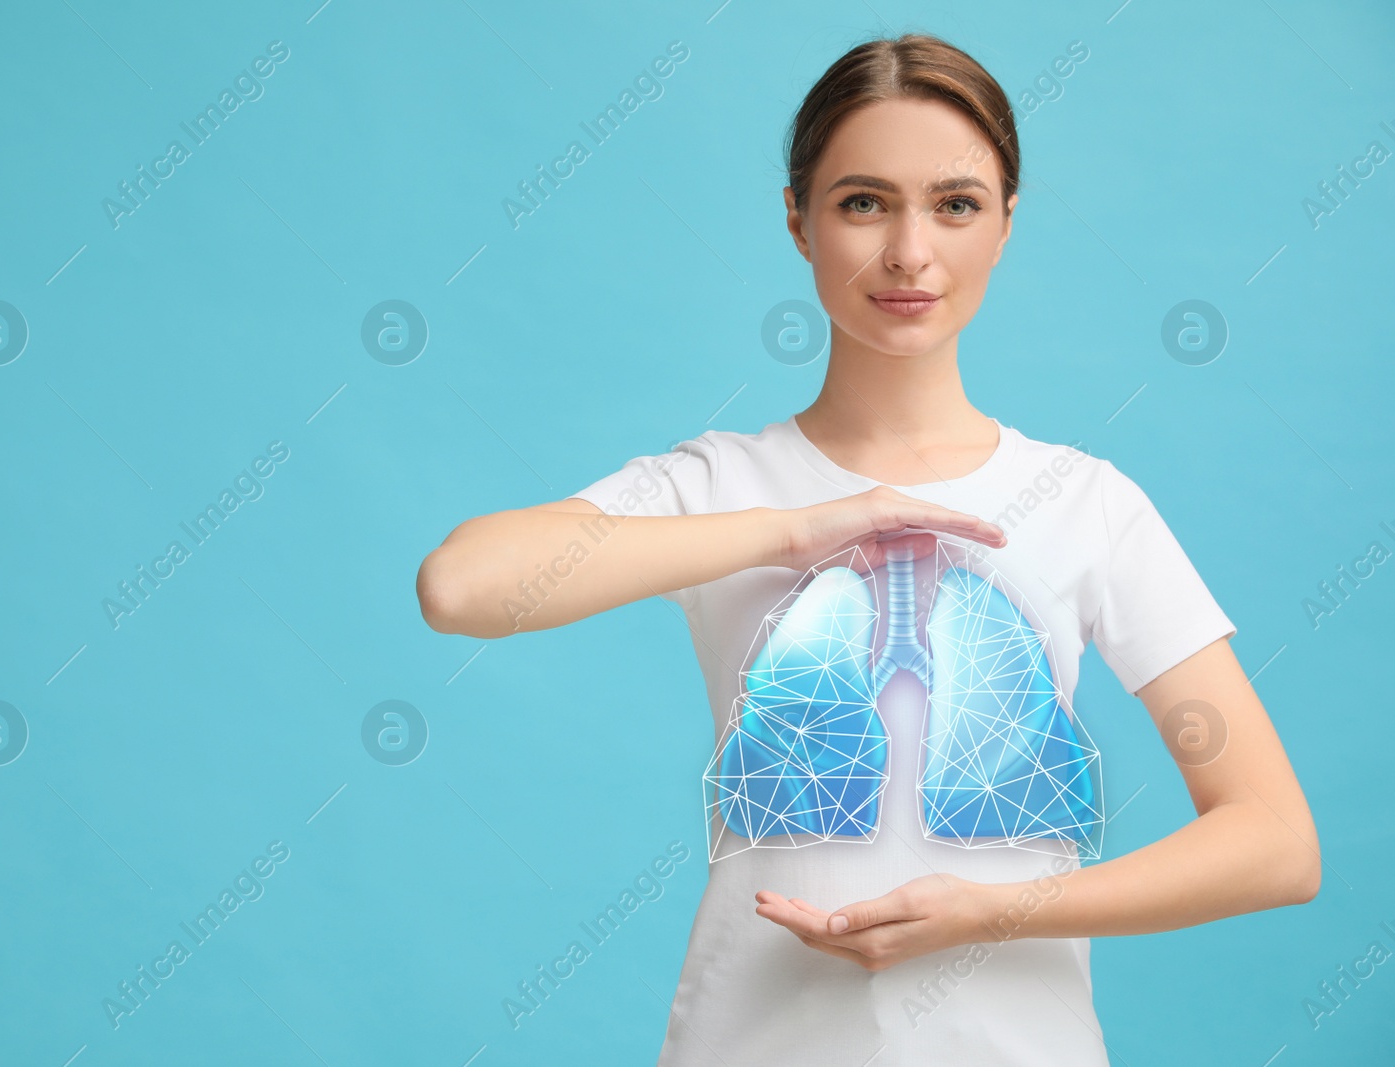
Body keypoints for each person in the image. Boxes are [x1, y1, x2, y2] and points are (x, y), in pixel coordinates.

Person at [415, 32, 1319, 1066]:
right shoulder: (716, 486)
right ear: (797, 221)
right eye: (861, 202)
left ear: (1006, 223)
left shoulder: (1082, 502)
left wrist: (992, 911)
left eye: (954, 203)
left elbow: (1275, 841)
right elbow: (458, 584)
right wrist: (797, 528)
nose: (908, 250)